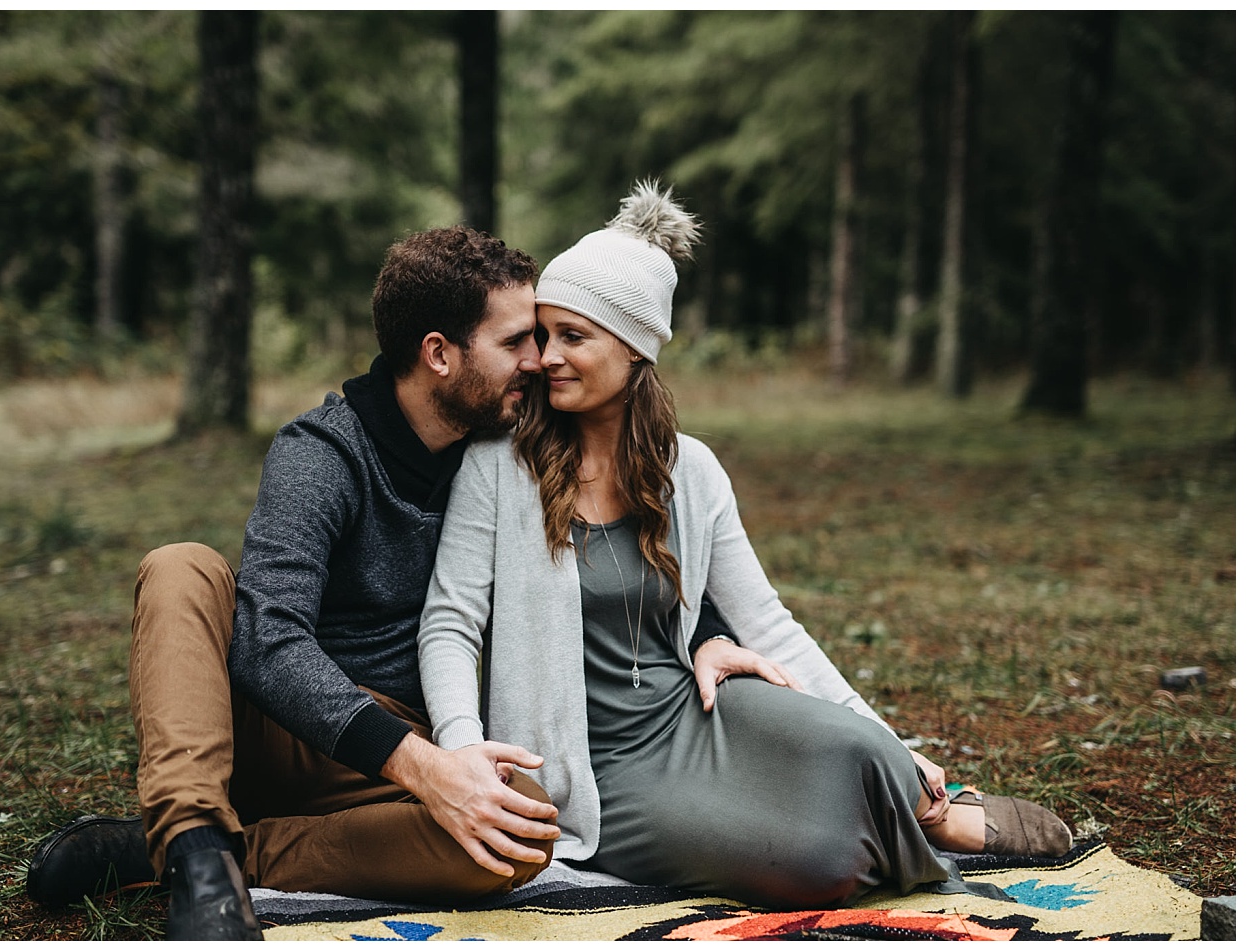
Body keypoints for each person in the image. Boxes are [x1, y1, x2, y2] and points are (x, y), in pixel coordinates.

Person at [29, 227, 755, 938]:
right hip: (271, 728)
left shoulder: (512, 446)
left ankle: (190, 851)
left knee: (520, 831)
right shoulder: (321, 454)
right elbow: (269, 642)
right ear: (439, 354)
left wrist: (711, 627)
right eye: (515, 342)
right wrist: (422, 767)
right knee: (181, 564)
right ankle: (193, 841)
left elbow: (633, 522)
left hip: (390, 752)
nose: (538, 360)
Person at [417, 183, 1072, 911]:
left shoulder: (689, 470)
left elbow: (766, 621)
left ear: (635, 349)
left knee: (868, 752)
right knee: (822, 865)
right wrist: (462, 750)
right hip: (597, 773)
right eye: (544, 335)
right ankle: (934, 827)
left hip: (693, 713)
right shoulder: (498, 468)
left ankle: (938, 812)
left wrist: (890, 738)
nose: (546, 357)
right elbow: (450, 621)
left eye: (573, 336)